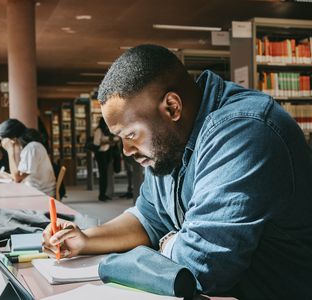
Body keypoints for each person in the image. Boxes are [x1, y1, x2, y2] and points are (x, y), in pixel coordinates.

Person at [42, 45, 312, 299]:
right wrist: (87, 239)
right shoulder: (169, 144)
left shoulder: (244, 132)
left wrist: (168, 241)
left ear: (172, 107)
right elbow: (149, 218)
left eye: (131, 134)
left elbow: (202, 267)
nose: (125, 150)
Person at [0, 119, 56, 196]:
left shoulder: (32, 148)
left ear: (12, 139)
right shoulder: (30, 147)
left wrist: (10, 150)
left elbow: (17, 178)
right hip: (35, 190)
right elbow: (20, 175)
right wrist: (7, 175)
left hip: (41, 193)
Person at [93, 117, 117, 201]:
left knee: (106, 174)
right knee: (102, 175)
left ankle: (104, 193)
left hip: (107, 153)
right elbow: (96, 143)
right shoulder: (99, 130)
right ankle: (101, 194)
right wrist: (107, 142)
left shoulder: (107, 131)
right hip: (100, 154)